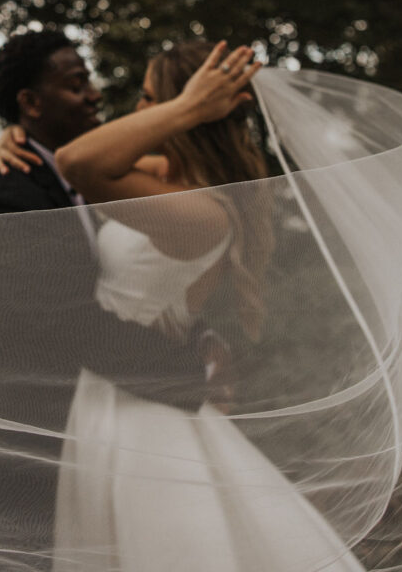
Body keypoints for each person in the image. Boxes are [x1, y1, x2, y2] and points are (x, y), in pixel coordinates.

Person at [50, 39, 367, 572]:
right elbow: (70, 165)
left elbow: (76, 161)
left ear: (194, 108)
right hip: (114, 387)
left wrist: (187, 106)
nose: (140, 110)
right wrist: (14, 137)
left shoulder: (204, 214)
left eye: (152, 98)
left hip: (141, 409)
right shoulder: (161, 176)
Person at [0, 30, 225, 565]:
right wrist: (190, 373)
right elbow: (65, 325)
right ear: (30, 104)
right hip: (26, 441)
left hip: (98, 424)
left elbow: (124, 283)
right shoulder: (8, 198)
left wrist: (195, 331)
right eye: (76, 84)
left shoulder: (90, 178)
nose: (95, 95)